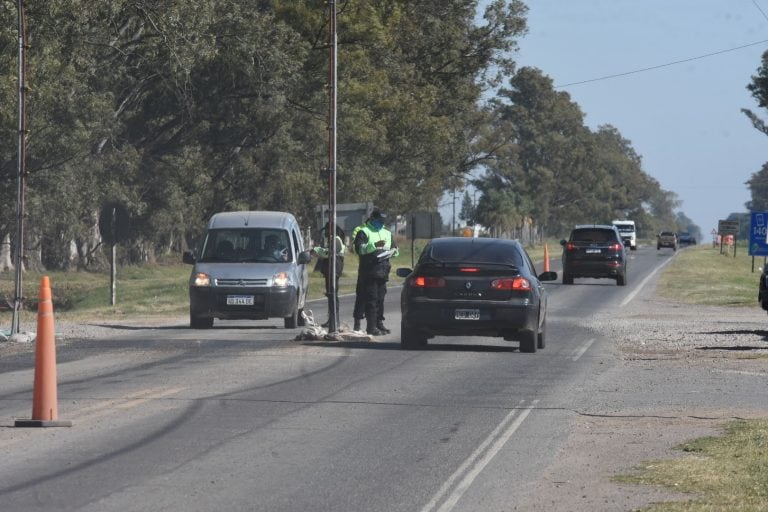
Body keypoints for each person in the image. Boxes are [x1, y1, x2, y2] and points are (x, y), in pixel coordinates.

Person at [353, 208, 398, 336]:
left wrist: (394, 251)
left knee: (380, 299)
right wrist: (374, 246)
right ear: (372, 219)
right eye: (378, 220)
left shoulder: (387, 233)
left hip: (383, 271)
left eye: (383, 221)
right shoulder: (364, 232)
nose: (381, 223)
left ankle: (379, 323)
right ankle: (371, 327)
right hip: (369, 271)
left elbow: (394, 248)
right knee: (371, 300)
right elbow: (359, 249)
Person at [313, 222, 346, 328]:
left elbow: (329, 253)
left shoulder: (336, 240)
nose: (326, 233)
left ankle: (334, 321)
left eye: (327, 230)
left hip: (334, 270)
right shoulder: (334, 239)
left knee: (333, 296)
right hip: (331, 270)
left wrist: (316, 250)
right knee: (331, 295)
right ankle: (332, 319)